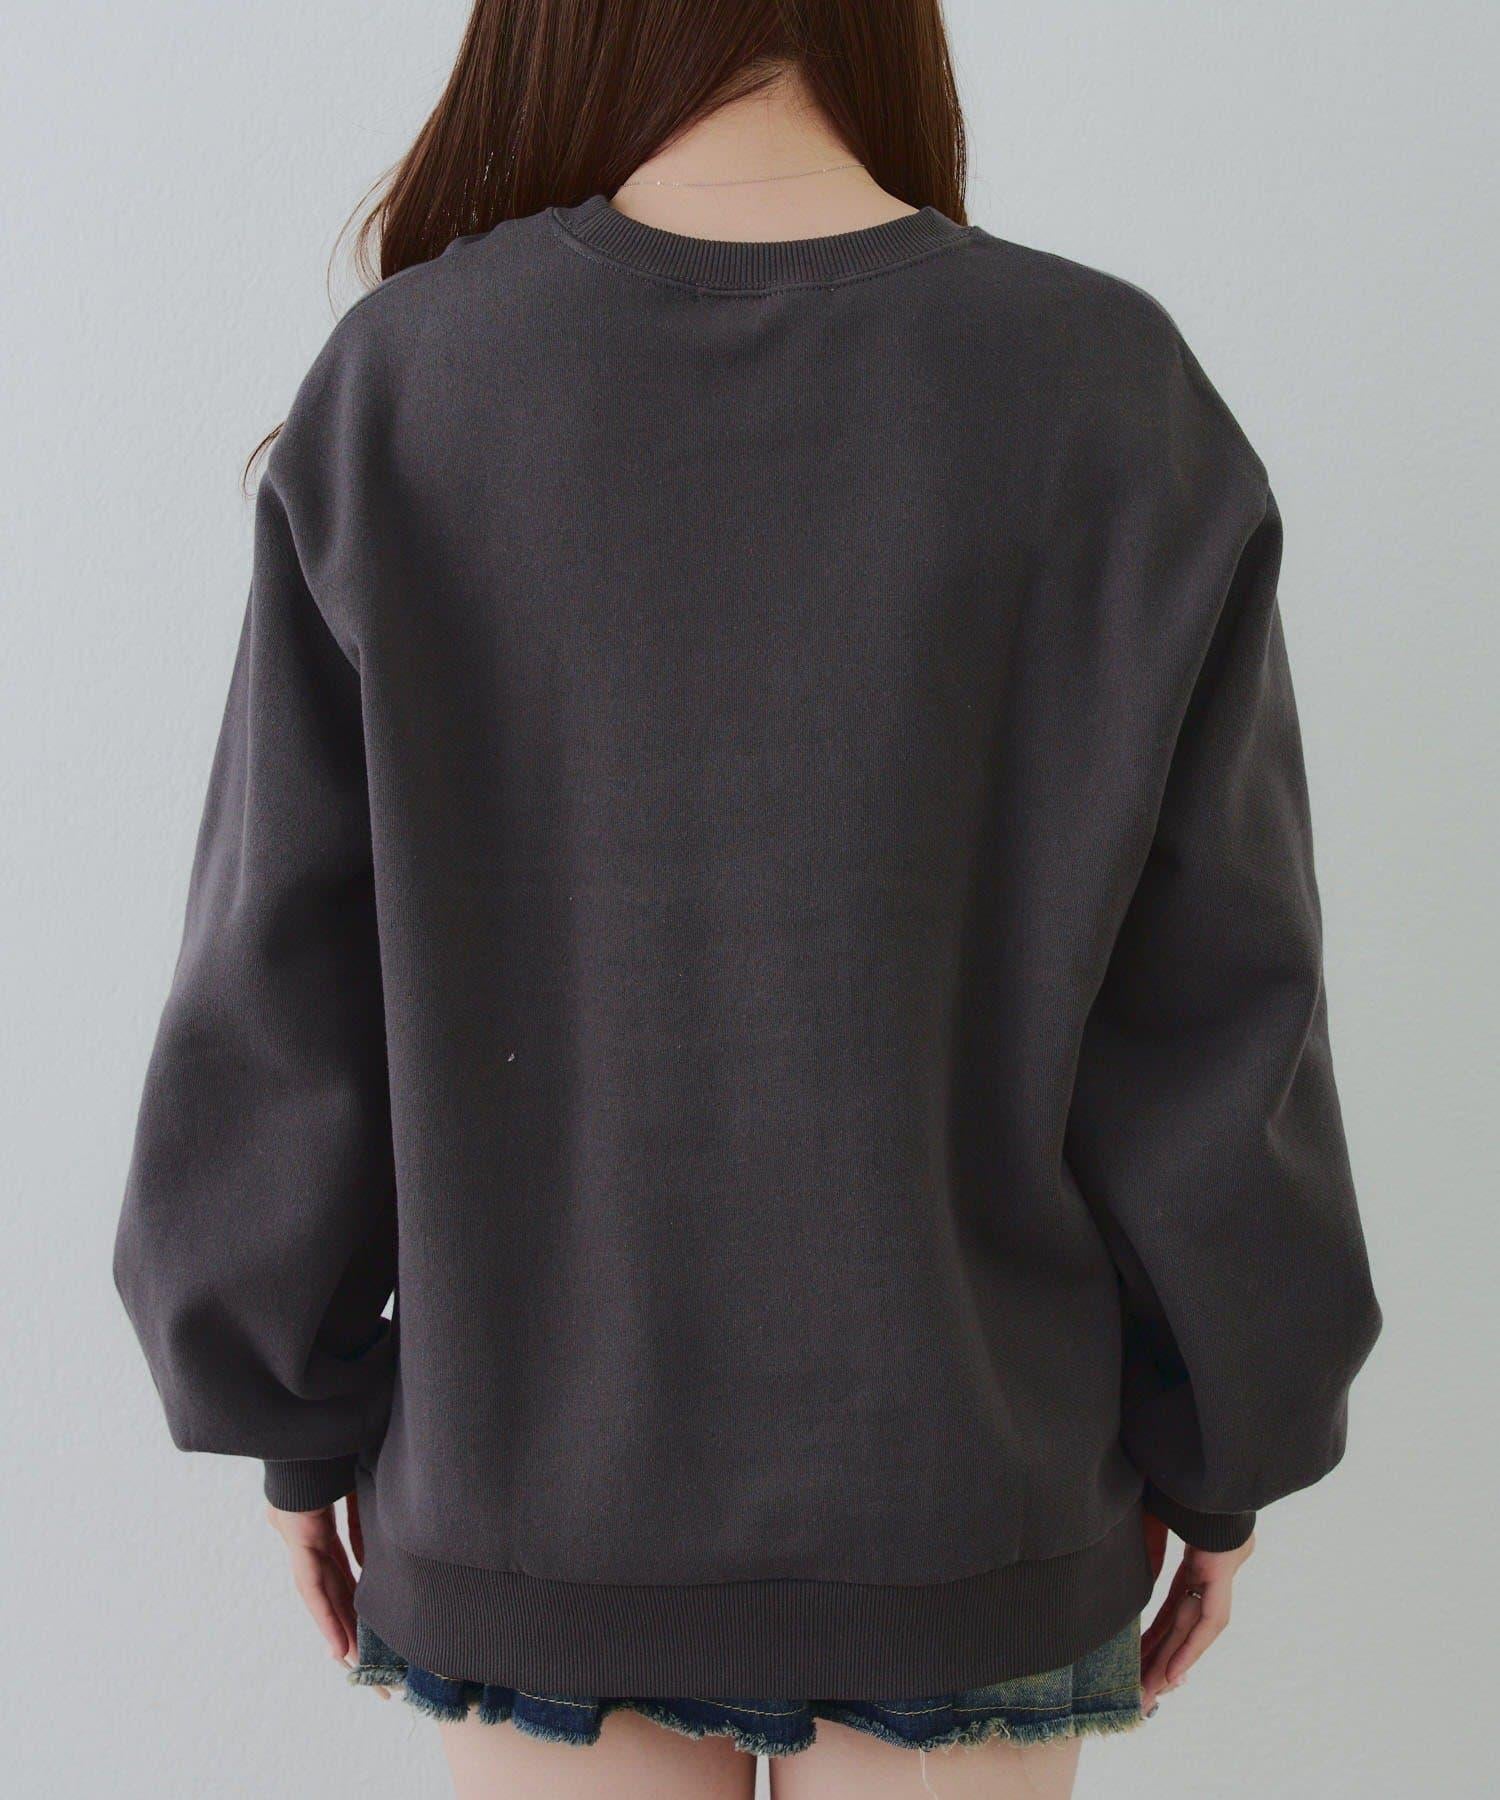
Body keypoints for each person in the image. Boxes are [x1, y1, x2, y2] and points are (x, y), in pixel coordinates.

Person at [113, 3, 1381, 1795]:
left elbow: (278, 981)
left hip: (531, 1495)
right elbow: (1218, 1011)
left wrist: (289, 1419)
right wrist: (1228, 1442)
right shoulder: (1108, 386)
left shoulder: (413, 382)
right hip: (975, 1499)